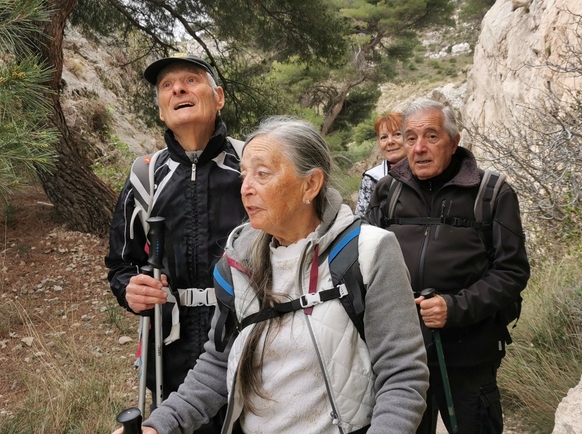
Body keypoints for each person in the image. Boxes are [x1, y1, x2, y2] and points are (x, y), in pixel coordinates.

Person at [115, 117, 429, 434]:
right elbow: (218, 365)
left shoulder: (368, 251)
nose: (246, 188)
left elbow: (402, 374)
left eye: (263, 174)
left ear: (311, 184)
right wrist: (158, 426)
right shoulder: (236, 265)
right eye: (244, 174)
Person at [365, 99, 530, 434]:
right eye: (410, 138)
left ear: (454, 142)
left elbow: (512, 271)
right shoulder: (387, 192)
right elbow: (365, 261)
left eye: (432, 136)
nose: (419, 148)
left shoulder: (492, 193)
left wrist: (454, 307)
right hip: (404, 352)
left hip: (470, 350)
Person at [106, 53, 245, 431]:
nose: (178, 89)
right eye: (167, 86)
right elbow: (122, 264)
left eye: (190, 80)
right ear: (161, 111)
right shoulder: (145, 177)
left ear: (218, 97)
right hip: (172, 352)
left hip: (248, 339)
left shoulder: (252, 167)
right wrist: (130, 289)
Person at [354, 112, 406, 216]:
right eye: (384, 137)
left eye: (397, 134)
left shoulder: (425, 171)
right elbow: (362, 219)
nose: (390, 141)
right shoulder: (371, 178)